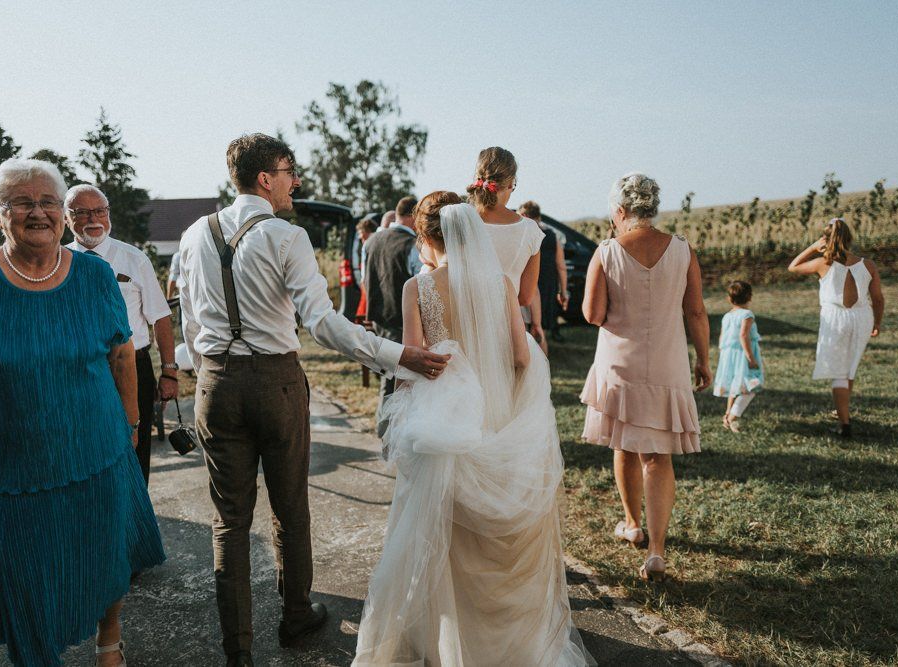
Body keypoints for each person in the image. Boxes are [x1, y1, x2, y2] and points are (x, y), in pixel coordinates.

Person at [176, 135, 449, 666]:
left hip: (214, 383)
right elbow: (322, 323)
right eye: (289, 171)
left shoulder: (192, 235)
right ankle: (296, 618)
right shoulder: (285, 236)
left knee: (228, 521)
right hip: (275, 383)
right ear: (265, 179)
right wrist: (399, 356)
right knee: (289, 509)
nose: (295, 181)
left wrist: (203, 369)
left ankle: (237, 652)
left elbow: (189, 316)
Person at [0, 158, 165, 666]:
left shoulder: (94, 275)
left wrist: (129, 424)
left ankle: (109, 642)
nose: (37, 212)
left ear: (63, 213)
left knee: (107, 557)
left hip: (98, 449)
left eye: (48, 202)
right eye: (22, 202)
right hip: (13, 467)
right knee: (25, 577)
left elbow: (122, 353)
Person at [353, 200, 594, 666]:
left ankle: (450, 645)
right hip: (499, 422)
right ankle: (509, 644)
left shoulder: (418, 289)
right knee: (498, 544)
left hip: (444, 430)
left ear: (426, 240)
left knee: (443, 536)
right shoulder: (501, 284)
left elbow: (409, 369)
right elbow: (521, 358)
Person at [580, 173, 710, 582]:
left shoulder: (605, 252)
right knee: (659, 456)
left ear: (620, 211)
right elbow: (696, 311)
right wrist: (703, 359)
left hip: (620, 365)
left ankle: (631, 523)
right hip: (668, 362)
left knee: (624, 443)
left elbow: (593, 315)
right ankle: (656, 551)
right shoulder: (683, 251)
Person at [64, 184, 178, 485]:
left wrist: (169, 372)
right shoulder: (57, 262)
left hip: (133, 367)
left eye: (100, 210)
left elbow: (161, 317)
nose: (94, 218)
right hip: (78, 370)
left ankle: (135, 523)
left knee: (134, 449)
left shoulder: (133, 259)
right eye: (83, 212)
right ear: (66, 219)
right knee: (83, 450)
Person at [788, 218, 884, 437]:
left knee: (839, 372)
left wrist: (812, 247)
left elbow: (792, 267)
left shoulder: (823, 263)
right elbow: (878, 299)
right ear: (849, 238)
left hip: (835, 319)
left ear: (826, 239)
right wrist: (877, 322)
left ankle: (844, 424)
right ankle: (843, 411)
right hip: (862, 317)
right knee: (849, 366)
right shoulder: (868, 264)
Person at [468, 148, 543, 330]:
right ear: (510, 183)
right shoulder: (530, 230)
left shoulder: (461, 221)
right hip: (506, 326)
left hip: (465, 325)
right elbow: (525, 297)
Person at [364, 195, 421, 423]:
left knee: (388, 374)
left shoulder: (372, 241)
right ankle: (387, 428)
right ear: (413, 217)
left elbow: (365, 278)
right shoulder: (412, 247)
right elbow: (421, 285)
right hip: (400, 321)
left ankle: (385, 425)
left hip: (378, 317)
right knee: (396, 379)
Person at [712, 281, 765, 433]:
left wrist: (724, 355)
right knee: (751, 386)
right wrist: (750, 357)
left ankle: (728, 414)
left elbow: (723, 337)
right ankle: (732, 417)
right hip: (743, 354)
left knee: (735, 386)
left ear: (729, 299)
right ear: (750, 297)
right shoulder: (747, 315)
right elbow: (743, 335)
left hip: (728, 354)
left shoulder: (727, 316)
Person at [518, 200, 568, 344]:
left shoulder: (524, 236)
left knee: (526, 328)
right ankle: (542, 359)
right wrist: (563, 291)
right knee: (541, 327)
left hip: (528, 284)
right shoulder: (552, 236)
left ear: (525, 216)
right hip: (548, 285)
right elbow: (561, 266)